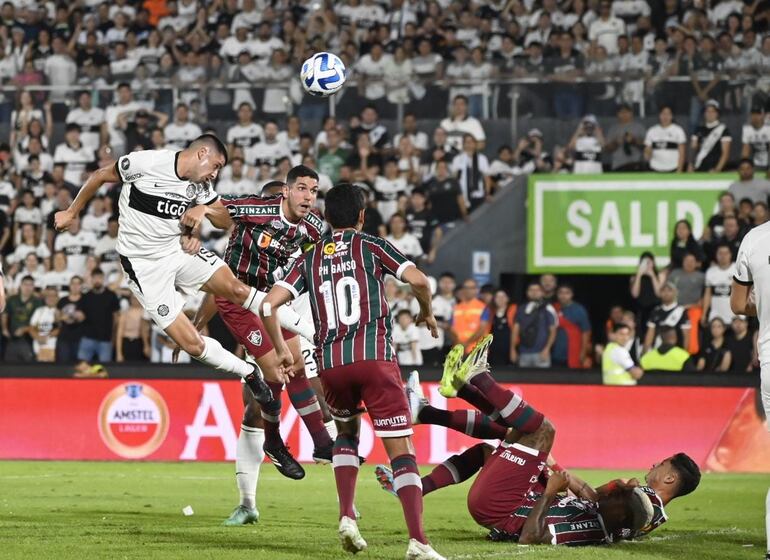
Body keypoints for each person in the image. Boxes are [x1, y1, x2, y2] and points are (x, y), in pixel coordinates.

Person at [259, 183, 444, 560]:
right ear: (362, 216)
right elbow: (420, 281)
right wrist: (425, 310)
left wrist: (281, 350)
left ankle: (346, 517)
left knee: (345, 434)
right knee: (401, 452)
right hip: (374, 358)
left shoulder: (308, 258)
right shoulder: (371, 245)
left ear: (326, 217)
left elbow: (267, 307)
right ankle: (419, 542)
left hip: (331, 365)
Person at [53, 134, 295, 402]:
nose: (215, 174)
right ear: (202, 153)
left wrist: (201, 213)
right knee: (191, 344)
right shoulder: (146, 163)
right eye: (216, 165)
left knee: (236, 288)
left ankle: (315, 333)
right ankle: (249, 373)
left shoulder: (199, 186)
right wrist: (72, 212)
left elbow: (225, 221)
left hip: (175, 251)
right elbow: (99, 175)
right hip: (143, 265)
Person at [387, 338, 656, 546]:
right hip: (517, 498)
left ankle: (475, 379)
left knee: (544, 430)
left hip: (503, 507)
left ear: (621, 514)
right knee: (495, 443)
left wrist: (551, 491)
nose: (614, 491)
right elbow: (588, 491)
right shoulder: (605, 512)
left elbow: (530, 537)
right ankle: (445, 404)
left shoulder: (589, 530)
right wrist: (570, 480)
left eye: (619, 496)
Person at [181, 174, 339, 524]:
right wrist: (194, 326)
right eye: (300, 190)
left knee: (295, 372)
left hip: (277, 305)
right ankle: (251, 493)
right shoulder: (252, 214)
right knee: (264, 391)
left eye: (312, 192)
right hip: (242, 306)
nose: (307, 198)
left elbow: (321, 264)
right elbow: (220, 287)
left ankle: (324, 450)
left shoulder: (311, 229)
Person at [511, 283, 557, 368]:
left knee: (542, 380)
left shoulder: (548, 308)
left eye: (537, 290)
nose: (534, 292)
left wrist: (547, 349)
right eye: (531, 290)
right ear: (527, 292)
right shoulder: (521, 309)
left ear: (542, 293)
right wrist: (512, 349)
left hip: (541, 353)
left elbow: (553, 331)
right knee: (524, 380)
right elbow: (515, 330)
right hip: (524, 353)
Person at [551, 284, 591, 368]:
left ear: (572, 295)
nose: (563, 296)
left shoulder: (579, 309)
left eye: (567, 293)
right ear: (557, 294)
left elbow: (586, 332)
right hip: (555, 353)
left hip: (573, 352)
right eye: (560, 293)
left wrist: (583, 352)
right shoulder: (553, 308)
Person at [2, 275, 40, 362]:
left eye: (30, 285)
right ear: (20, 286)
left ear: (33, 287)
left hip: (29, 339)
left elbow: (40, 322)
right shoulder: (12, 299)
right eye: (25, 284)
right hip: (12, 338)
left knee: (28, 366)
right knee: (10, 365)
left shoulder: (37, 302)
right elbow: (5, 314)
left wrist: (25, 329)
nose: (28, 287)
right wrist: (4, 329)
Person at [643, 283, 691, 353]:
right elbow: (650, 333)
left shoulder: (681, 311)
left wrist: (684, 354)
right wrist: (645, 351)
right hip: (658, 349)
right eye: (663, 291)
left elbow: (686, 336)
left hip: (675, 351)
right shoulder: (655, 311)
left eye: (669, 290)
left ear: (675, 293)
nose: (666, 293)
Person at [450, 278, 490, 355]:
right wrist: (458, 344)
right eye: (466, 288)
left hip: (476, 350)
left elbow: (482, 329)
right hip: (458, 350)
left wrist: (466, 344)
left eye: (471, 288)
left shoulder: (483, 307)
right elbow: (451, 329)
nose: (468, 290)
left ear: (476, 290)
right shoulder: (456, 308)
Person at [690, 100, 731, 173]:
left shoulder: (723, 130)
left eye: (713, 111)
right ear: (704, 113)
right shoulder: (698, 130)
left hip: (714, 171)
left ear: (717, 113)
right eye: (707, 111)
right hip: (698, 169)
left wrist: (717, 169)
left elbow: (725, 154)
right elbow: (693, 150)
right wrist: (690, 166)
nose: (710, 114)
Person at [644, 105, 686, 173]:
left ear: (672, 116)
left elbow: (682, 153)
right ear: (659, 115)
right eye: (663, 113)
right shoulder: (651, 131)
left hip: (673, 168)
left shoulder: (678, 130)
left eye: (668, 114)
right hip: (655, 168)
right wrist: (647, 153)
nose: (665, 116)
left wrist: (679, 171)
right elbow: (647, 152)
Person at [703, 243, 737, 324]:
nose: (723, 256)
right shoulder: (710, 272)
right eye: (720, 253)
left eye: (726, 253)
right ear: (716, 255)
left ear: (730, 255)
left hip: (735, 316)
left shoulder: (737, 269)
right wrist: (704, 314)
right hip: (716, 316)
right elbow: (707, 294)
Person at [29, 287, 60, 362]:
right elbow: (31, 328)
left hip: (53, 349)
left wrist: (47, 337)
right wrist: (38, 337)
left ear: (57, 298)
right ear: (45, 298)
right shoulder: (39, 311)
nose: (51, 298)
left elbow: (60, 329)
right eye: (48, 295)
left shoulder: (60, 312)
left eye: (53, 296)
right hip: (38, 349)